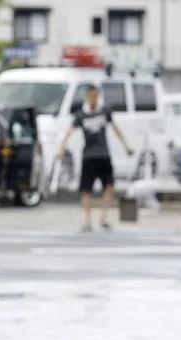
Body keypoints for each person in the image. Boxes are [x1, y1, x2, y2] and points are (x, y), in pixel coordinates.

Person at [56, 85, 134, 232]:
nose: (93, 98)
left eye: (95, 95)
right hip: (88, 155)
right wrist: (62, 148)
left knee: (109, 186)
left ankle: (104, 217)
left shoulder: (104, 111)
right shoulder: (81, 115)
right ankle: (87, 220)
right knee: (87, 189)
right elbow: (69, 131)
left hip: (104, 154)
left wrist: (126, 146)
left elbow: (116, 128)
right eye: (91, 95)